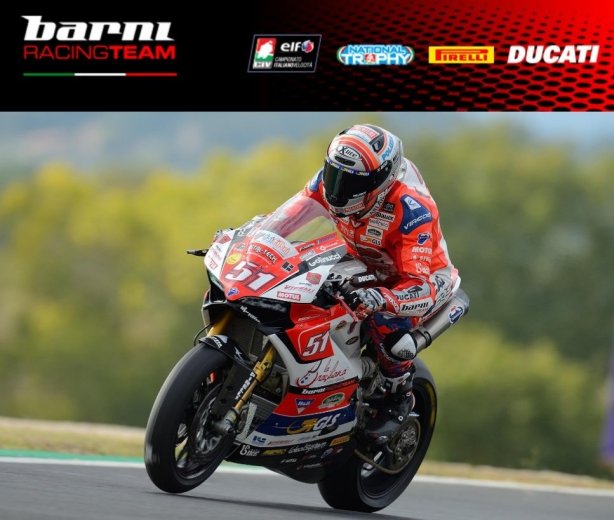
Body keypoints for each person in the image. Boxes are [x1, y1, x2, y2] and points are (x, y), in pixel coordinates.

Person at [303, 124, 459, 439]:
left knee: (387, 326)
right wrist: (250, 239)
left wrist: (382, 298)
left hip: (423, 279)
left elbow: (417, 284)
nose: (338, 189)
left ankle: (398, 393)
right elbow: (287, 219)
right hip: (362, 261)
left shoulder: (411, 209)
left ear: (380, 181)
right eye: (335, 174)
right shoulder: (325, 182)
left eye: (352, 182)